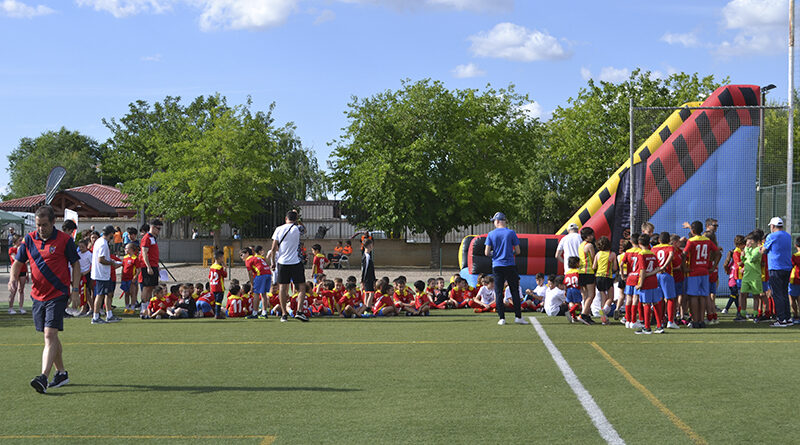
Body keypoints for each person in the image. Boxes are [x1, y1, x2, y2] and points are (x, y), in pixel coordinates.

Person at [8, 205, 81, 394]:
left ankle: (43, 377)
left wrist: (74, 290)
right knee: (51, 336)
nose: (41, 229)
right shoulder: (29, 240)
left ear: (53, 222)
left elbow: (75, 264)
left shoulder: (65, 240)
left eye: (45, 225)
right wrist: (12, 279)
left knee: (49, 335)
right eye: (38, 225)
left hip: (58, 294)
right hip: (37, 295)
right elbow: (18, 262)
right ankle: (61, 373)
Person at [485, 212, 528, 326]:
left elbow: (486, 252)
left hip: (497, 265)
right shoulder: (511, 233)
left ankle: (502, 318)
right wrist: (510, 253)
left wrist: (495, 255)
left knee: (498, 292)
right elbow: (518, 251)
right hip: (510, 264)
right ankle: (518, 316)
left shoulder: (491, 234)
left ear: (497, 221)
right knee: (514, 291)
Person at [266, 210, 309, 322]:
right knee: (301, 287)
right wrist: (298, 219)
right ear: (295, 219)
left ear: (286, 218)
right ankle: (299, 311)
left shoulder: (279, 229)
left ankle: (284, 313)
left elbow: (274, 247)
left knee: (282, 288)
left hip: (282, 262)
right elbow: (305, 229)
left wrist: (273, 262)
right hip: (296, 261)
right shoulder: (297, 228)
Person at [684, 221, 719, 328]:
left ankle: (695, 321)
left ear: (692, 231)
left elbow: (684, 254)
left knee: (694, 297)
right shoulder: (707, 241)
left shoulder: (691, 241)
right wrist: (712, 267)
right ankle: (701, 321)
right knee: (703, 296)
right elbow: (718, 253)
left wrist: (685, 267)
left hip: (693, 272)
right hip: (704, 272)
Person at [761, 217, 793, 326]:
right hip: (787, 267)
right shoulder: (788, 236)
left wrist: (759, 248)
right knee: (784, 293)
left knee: (777, 294)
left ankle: (781, 319)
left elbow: (763, 250)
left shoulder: (771, 236)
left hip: (776, 268)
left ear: (773, 226)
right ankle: (787, 318)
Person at [90, 225, 123, 324]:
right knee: (100, 295)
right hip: (101, 273)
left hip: (103, 273)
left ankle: (109, 315)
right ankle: (95, 317)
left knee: (108, 294)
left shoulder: (100, 241)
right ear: (110, 234)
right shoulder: (103, 244)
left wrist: (111, 261)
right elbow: (101, 259)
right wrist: (112, 263)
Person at [634, 234, 665, 334]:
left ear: (639, 243)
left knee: (646, 304)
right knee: (655, 303)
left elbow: (642, 270)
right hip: (654, 280)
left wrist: (641, 283)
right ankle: (660, 326)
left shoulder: (641, 254)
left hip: (646, 282)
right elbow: (658, 268)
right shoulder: (652, 254)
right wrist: (650, 274)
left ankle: (647, 327)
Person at [652, 232, 679, 329]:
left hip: (656, 274)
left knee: (659, 299)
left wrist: (656, 268)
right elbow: (671, 255)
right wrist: (664, 266)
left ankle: (661, 320)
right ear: (669, 240)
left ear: (659, 240)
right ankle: (670, 321)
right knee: (670, 298)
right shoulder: (670, 247)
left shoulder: (654, 248)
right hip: (666, 274)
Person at [139, 219, 162, 317]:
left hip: (154, 265)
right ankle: (143, 309)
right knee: (147, 287)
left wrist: (156, 266)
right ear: (152, 227)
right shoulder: (147, 237)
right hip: (148, 266)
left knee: (152, 287)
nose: (159, 231)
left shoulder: (153, 238)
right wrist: (148, 266)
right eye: (158, 228)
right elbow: (144, 253)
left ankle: (148, 309)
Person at [592, 236, 617, 325]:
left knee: (603, 297)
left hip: (598, 276)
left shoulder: (598, 254)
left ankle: (604, 319)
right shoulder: (612, 254)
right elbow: (615, 267)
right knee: (610, 297)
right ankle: (604, 310)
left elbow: (594, 266)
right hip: (607, 276)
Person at [241, 246, 271, 319]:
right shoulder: (257, 257)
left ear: (247, 253)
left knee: (256, 294)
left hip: (260, 275)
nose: (241, 257)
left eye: (242, 255)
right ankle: (264, 312)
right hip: (268, 273)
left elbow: (250, 274)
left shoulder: (248, 260)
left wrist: (252, 284)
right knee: (263, 293)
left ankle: (255, 313)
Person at [577, 227, 597, 324]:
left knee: (585, 296)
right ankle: (584, 314)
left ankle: (586, 314)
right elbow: (594, 259)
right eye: (591, 235)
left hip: (581, 272)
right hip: (589, 271)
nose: (593, 237)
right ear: (587, 236)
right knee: (591, 295)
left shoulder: (581, 245)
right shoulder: (589, 245)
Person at [7, 235, 27, 314]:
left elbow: (26, 260)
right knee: (13, 290)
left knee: (21, 290)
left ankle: (21, 307)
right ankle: (10, 307)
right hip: (15, 271)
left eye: (22, 240)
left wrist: (28, 274)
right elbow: (16, 259)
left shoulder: (23, 249)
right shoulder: (11, 249)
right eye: (20, 240)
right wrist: (19, 251)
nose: (21, 242)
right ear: (15, 241)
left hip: (23, 270)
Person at [209, 250, 227, 319]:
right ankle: (217, 314)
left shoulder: (212, 266)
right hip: (219, 287)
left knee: (215, 301)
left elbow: (210, 277)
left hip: (213, 286)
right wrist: (225, 268)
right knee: (219, 301)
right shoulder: (220, 268)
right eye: (222, 257)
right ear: (219, 258)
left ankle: (216, 313)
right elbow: (225, 275)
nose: (223, 259)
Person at [361, 238, 376, 310]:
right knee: (371, 293)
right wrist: (363, 280)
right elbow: (365, 269)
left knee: (367, 293)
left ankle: (365, 308)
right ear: (370, 246)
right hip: (367, 278)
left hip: (369, 278)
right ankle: (368, 308)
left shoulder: (367, 255)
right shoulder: (367, 256)